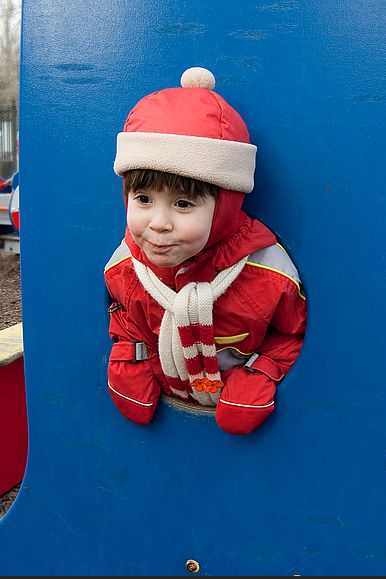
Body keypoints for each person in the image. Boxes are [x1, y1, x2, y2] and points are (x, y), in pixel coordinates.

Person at [104, 67, 307, 435]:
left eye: (183, 204)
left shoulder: (266, 274)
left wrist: (258, 375)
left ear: (225, 205)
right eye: (144, 199)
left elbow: (292, 334)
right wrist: (130, 361)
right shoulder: (127, 265)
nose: (158, 222)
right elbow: (124, 314)